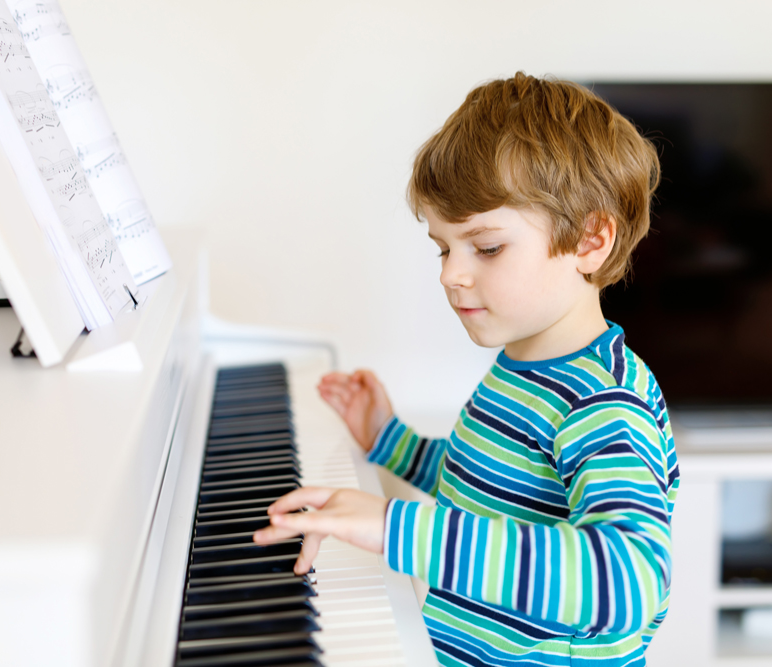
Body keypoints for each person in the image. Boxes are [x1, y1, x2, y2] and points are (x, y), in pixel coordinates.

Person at [254, 72, 679, 666]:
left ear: (590, 239)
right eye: (443, 247)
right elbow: (486, 495)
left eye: (486, 247)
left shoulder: (601, 401)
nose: (451, 274)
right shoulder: (525, 368)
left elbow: (628, 581)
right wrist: (390, 441)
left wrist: (396, 529)